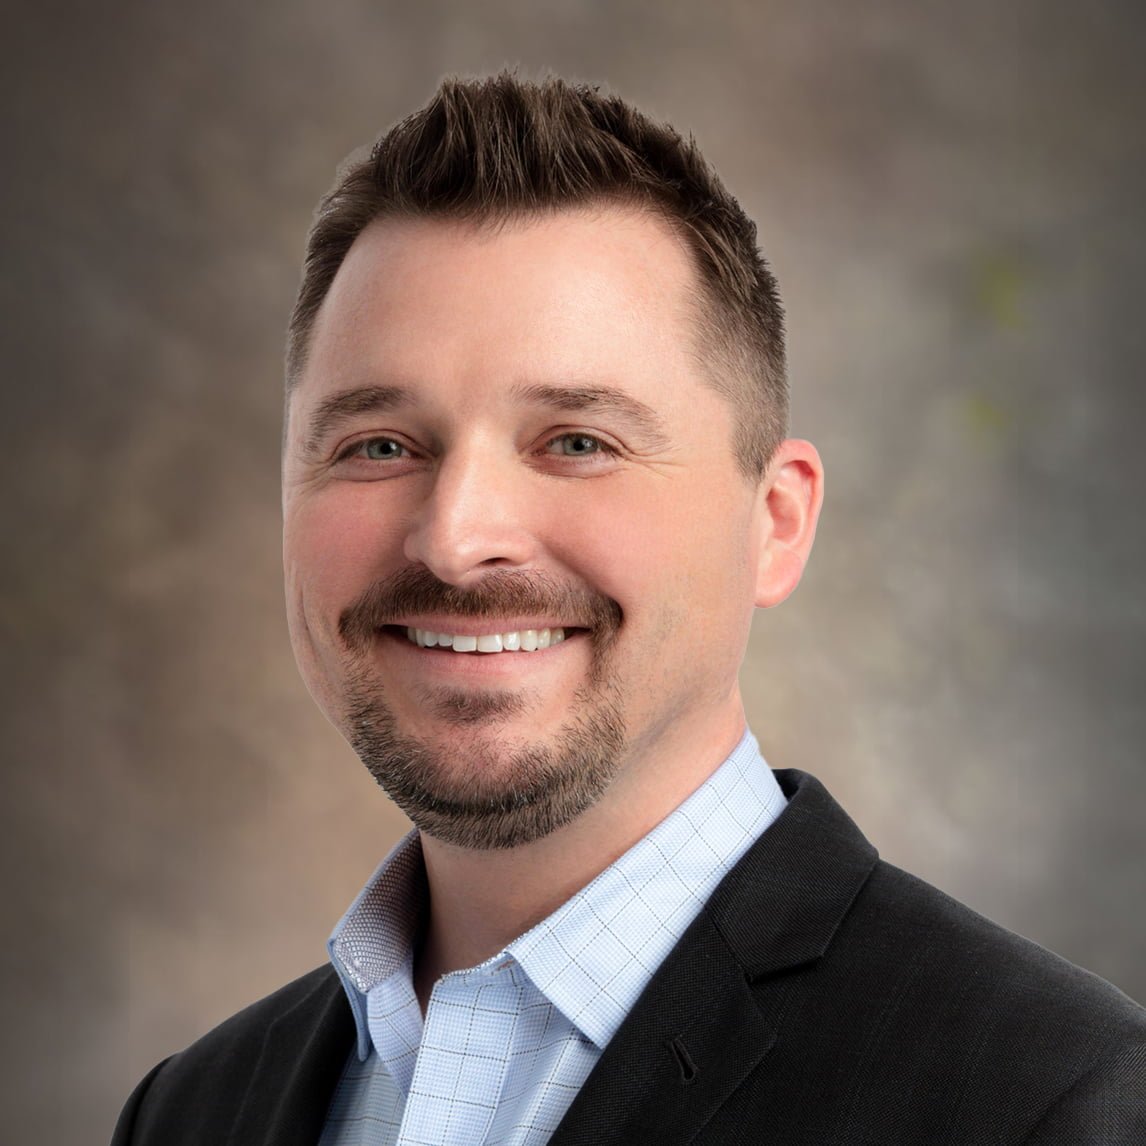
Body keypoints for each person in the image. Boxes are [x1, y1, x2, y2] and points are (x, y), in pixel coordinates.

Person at [112, 73, 1146, 1145]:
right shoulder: (187, 1114)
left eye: (577, 441)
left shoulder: (1052, 1101)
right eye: (379, 445)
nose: (457, 538)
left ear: (777, 523)